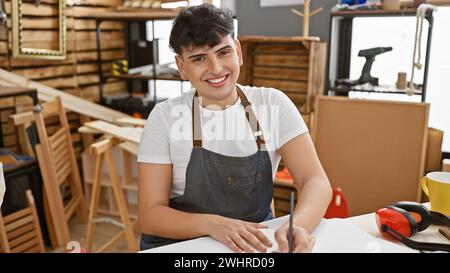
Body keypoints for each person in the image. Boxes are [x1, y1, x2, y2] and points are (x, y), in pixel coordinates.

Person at [137, 3, 332, 253]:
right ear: (182, 66)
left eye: (223, 52)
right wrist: (212, 224)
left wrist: (300, 225)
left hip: (254, 246)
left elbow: (315, 180)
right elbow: (150, 215)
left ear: (238, 51)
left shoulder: (273, 104)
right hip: (181, 247)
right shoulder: (164, 118)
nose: (216, 69)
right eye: (199, 59)